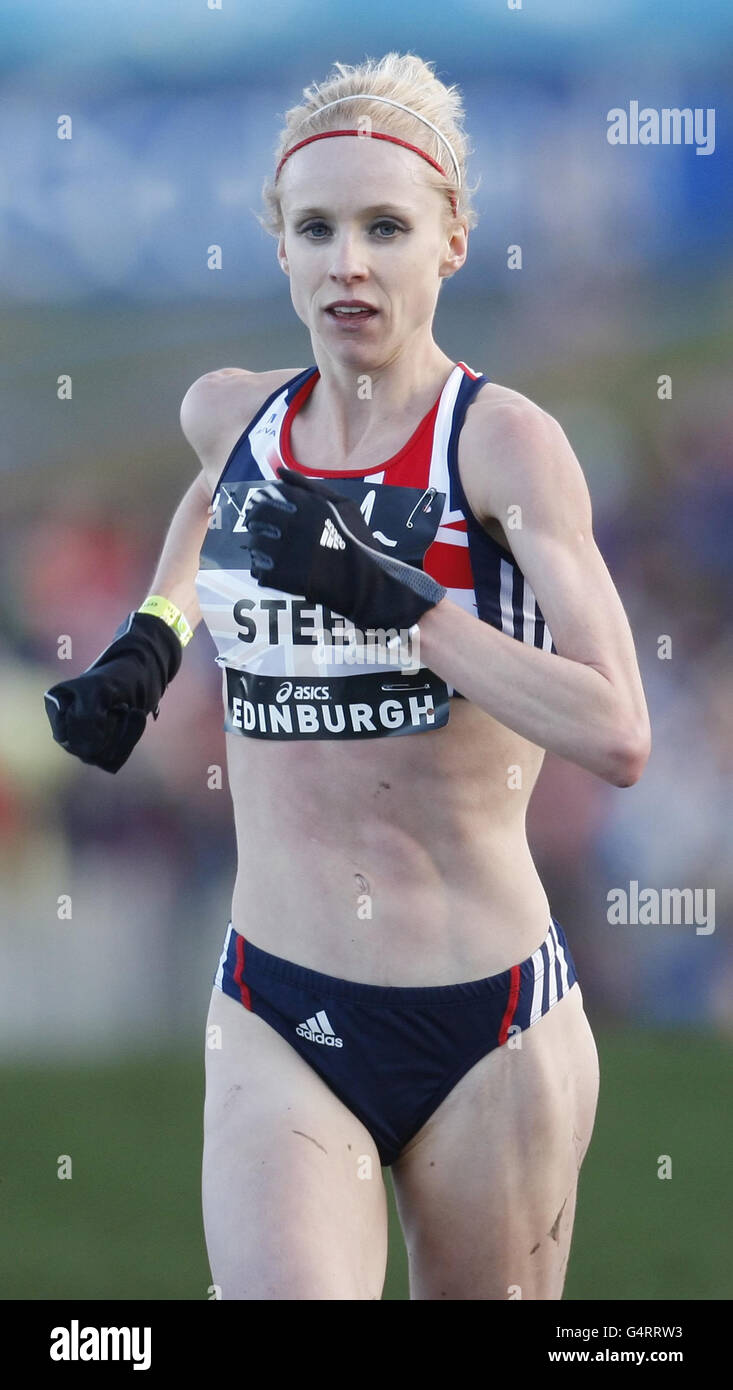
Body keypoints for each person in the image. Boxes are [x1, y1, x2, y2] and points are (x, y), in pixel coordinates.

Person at [44, 52, 651, 1300]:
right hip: (277, 1000)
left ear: (453, 245)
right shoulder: (236, 417)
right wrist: (148, 645)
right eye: (316, 229)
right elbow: (219, 500)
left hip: (490, 1025)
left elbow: (618, 729)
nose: (349, 263)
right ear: (278, 248)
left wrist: (399, 600)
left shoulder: (502, 447)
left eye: (386, 227)